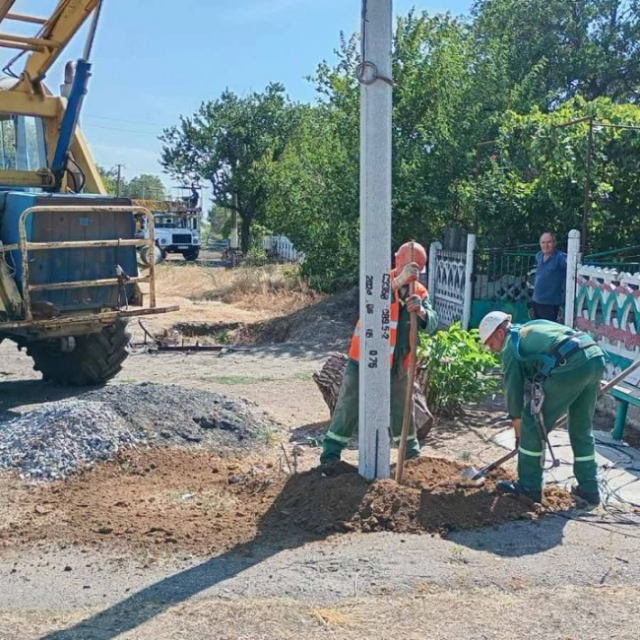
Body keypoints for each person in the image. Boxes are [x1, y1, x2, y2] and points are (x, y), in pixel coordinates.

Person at [320, 242, 438, 465]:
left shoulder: (420, 292)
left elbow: (432, 323)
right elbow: (372, 301)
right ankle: (330, 456)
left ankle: (411, 457)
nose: (414, 273)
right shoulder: (379, 281)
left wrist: (421, 311)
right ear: (398, 261)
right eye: (411, 267)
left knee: (403, 410)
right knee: (349, 406)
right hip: (365, 358)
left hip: (398, 364)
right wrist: (398, 282)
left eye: (418, 269)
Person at [478, 310, 605, 504]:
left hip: (571, 363)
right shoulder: (527, 329)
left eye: (491, 344)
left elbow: (514, 395)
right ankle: (589, 488)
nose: (492, 349)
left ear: (500, 334)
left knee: (532, 421)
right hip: (593, 356)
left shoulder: (511, 348)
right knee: (581, 427)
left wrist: (520, 434)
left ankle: (528, 486)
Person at [529, 232, 567, 322]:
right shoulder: (538, 256)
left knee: (548, 330)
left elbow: (570, 262)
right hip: (536, 300)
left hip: (550, 303)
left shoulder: (560, 257)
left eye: (549, 242)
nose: (546, 245)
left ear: (554, 243)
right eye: (543, 242)